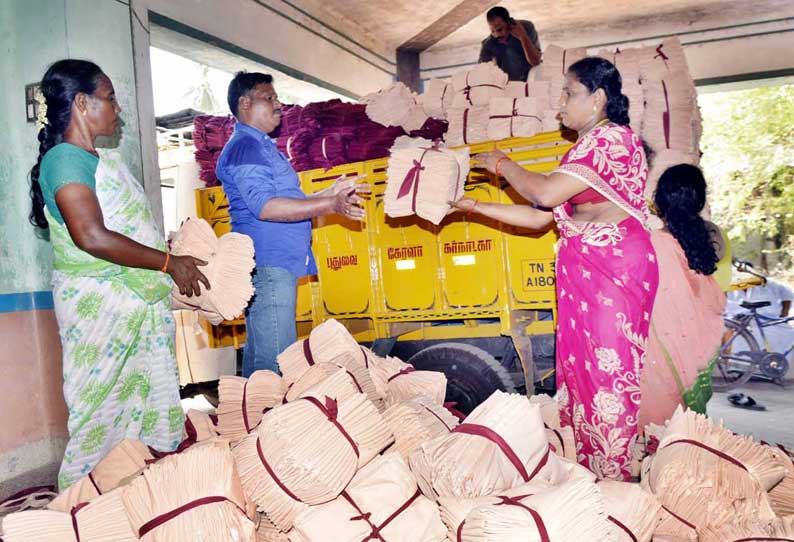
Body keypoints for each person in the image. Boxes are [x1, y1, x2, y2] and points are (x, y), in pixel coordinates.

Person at [451, 56, 658, 480]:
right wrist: (469, 205)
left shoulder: (613, 141)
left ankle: (612, 482)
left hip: (611, 277)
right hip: (591, 278)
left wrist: (503, 164)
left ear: (598, 98)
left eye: (568, 93)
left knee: (605, 378)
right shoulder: (582, 150)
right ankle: (592, 472)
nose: (560, 103)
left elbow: (544, 194)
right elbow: (542, 218)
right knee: (582, 379)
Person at [29, 59, 210, 489]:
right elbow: (92, 236)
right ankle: (80, 508)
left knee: (140, 409)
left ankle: (137, 498)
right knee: (100, 413)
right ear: (81, 103)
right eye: (109, 97)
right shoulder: (65, 161)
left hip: (133, 307)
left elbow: (126, 228)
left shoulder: (101, 161)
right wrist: (169, 264)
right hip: (101, 310)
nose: (117, 107)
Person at [216, 72, 367, 377]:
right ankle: (271, 423)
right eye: (268, 98)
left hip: (274, 265)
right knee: (274, 369)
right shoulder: (247, 146)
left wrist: (329, 194)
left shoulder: (260, 145)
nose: (278, 104)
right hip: (269, 265)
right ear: (245, 104)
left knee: (261, 370)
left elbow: (282, 198)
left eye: (276, 97)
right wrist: (328, 205)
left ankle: (254, 420)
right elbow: (265, 206)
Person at [639, 164, 726, 429]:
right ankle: (686, 448)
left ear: (659, 200)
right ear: (700, 200)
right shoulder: (712, 236)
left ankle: (665, 456)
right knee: (684, 414)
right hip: (696, 342)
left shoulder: (653, 241)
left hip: (661, 344)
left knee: (660, 412)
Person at [479, 6, 541, 81]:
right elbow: (481, 74)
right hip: (510, 84)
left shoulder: (526, 27)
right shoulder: (488, 44)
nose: (496, 35)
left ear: (509, 22)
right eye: (492, 31)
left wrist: (523, 36)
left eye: (499, 30)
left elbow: (535, 61)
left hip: (532, 77)